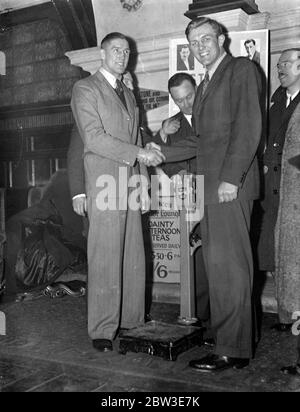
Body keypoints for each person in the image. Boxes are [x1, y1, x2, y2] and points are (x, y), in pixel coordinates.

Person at [149, 16, 262, 371]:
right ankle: (233, 338)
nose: (200, 47)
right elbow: (200, 140)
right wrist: (161, 152)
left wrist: (231, 178)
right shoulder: (207, 83)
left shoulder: (240, 69)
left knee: (230, 268)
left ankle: (234, 350)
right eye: (194, 43)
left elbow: (248, 126)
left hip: (229, 187)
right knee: (220, 268)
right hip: (211, 189)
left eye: (205, 39)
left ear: (221, 37)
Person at [70, 32, 165, 352]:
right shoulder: (85, 88)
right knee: (106, 255)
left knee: (133, 254)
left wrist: (147, 144)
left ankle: (130, 320)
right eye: (115, 50)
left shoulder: (126, 91)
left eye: (126, 51)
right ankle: (101, 328)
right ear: (101, 52)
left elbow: (133, 134)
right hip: (104, 180)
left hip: (132, 180)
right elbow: (94, 138)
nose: (122, 55)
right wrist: (138, 153)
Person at [258, 49, 300, 332]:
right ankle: (288, 316)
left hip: (295, 191)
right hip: (275, 192)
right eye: (278, 64)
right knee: (280, 257)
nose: (280, 68)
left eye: (286, 63)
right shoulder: (276, 102)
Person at [67, 71, 136, 218]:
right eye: (126, 83)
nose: (131, 88)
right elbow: (75, 154)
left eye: (131, 83)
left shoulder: (130, 121)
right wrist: (78, 193)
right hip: (99, 191)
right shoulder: (93, 117)